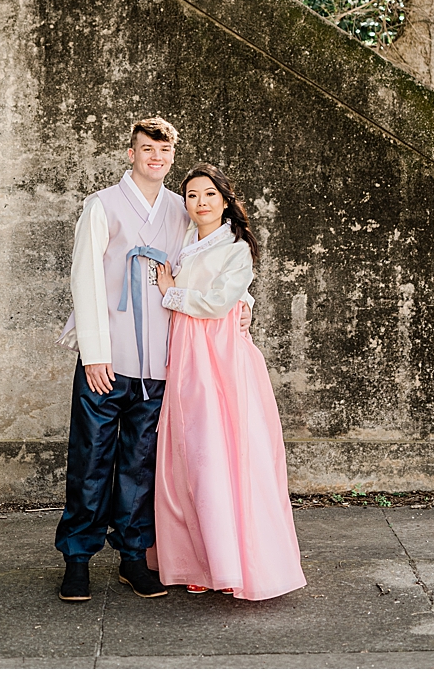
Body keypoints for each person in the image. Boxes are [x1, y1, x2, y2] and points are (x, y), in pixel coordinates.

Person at [153, 163, 307, 601]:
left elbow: (221, 299)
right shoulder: (185, 238)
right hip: (185, 353)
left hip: (218, 358)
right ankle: (194, 558)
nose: (200, 203)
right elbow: (229, 293)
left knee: (217, 455)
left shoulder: (236, 246)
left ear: (224, 200)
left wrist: (172, 292)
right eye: (192, 196)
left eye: (208, 195)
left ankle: (226, 562)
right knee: (187, 455)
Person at [55, 117, 190, 602]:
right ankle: (77, 558)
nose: (156, 156)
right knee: (91, 458)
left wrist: (245, 307)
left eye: (164, 149)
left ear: (172, 155)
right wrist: (93, 352)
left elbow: (210, 262)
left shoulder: (181, 209)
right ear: (130, 154)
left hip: (160, 359)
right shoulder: (102, 205)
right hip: (108, 358)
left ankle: (134, 556)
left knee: (140, 462)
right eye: (146, 148)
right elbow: (85, 278)